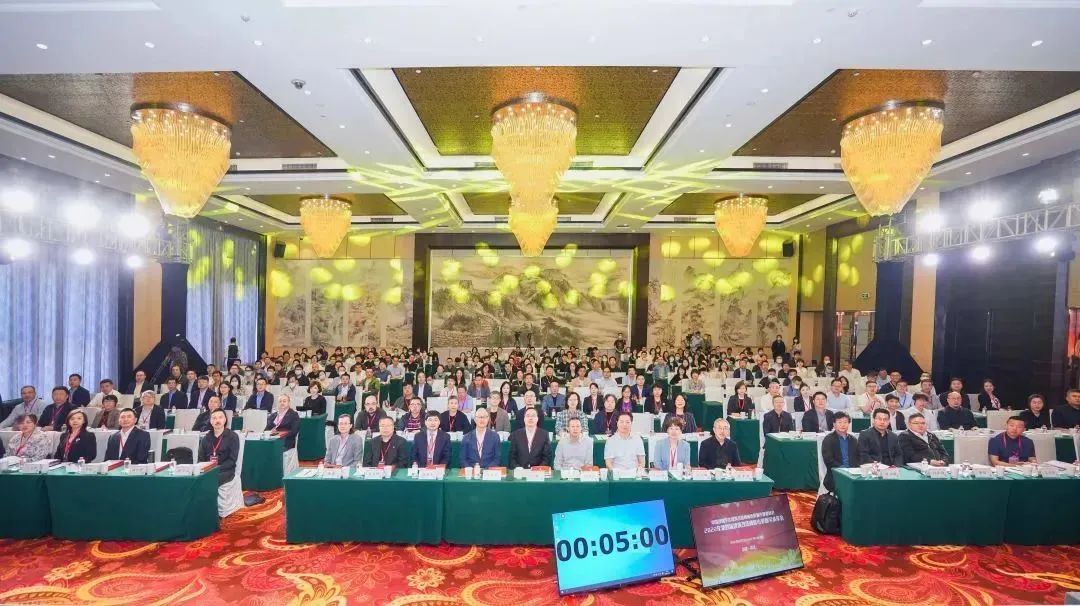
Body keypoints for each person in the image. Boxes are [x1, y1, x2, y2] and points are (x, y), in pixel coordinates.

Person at [199, 409, 240, 485]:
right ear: (211, 421)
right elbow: (201, 459)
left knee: (211, 480)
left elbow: (232, 460)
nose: (217, 420)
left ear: (225, 420)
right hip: (208, 470)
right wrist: (207, 469)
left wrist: (216, 469)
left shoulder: (233, 437)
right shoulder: (206, 438)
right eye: (214, 418)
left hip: (225, 471)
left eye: (220, 417)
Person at [821, 412, 860, 491]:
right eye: (839, 422)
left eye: (845, 422)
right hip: (836, 474)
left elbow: (858, 458)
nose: (843, 425)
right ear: (834, 424)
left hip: (853, 474)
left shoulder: (853, 440)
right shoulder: (828, 439)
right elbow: (828, 460)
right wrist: (844, 470)